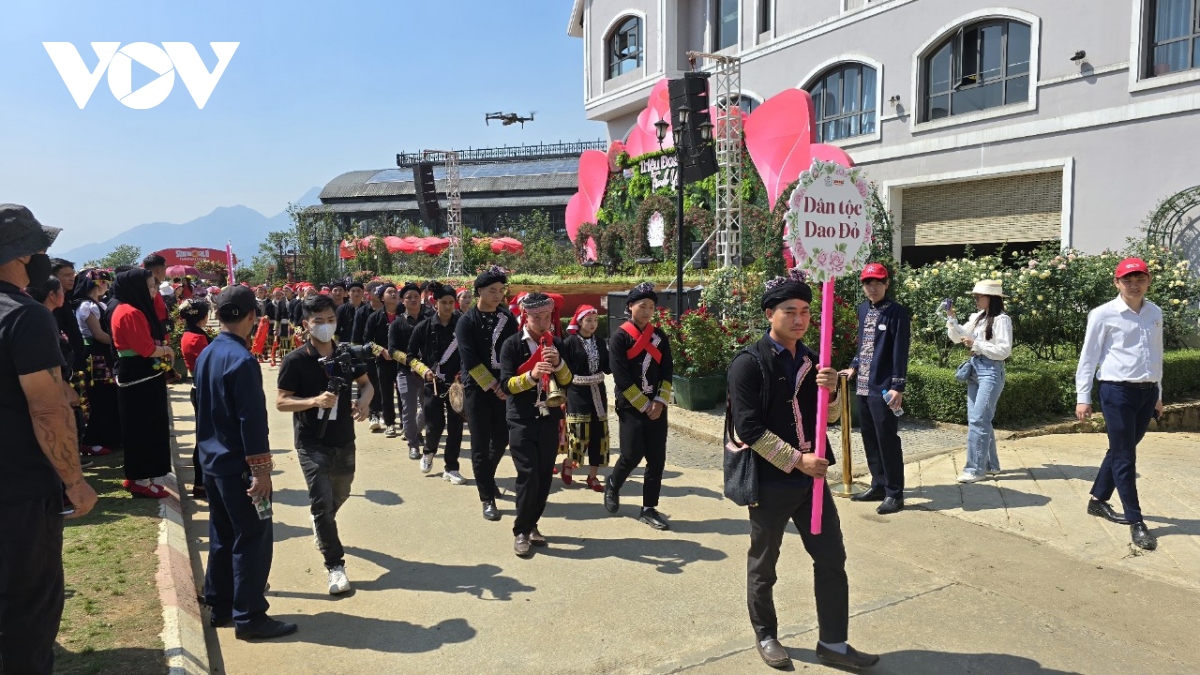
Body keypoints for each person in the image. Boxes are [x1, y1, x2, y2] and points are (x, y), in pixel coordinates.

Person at [728, 272, 878, 671]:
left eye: (806, 312)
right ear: (769, 314)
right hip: (772, 479)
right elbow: (749, 429)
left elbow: (823, 419)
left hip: (813, 481)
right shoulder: (748, 363)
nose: (799, 319)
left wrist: (831, 392)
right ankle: (766, 634)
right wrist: (797, 460)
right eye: (790, 311)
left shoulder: (814, 360)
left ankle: (834, 642)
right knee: (765, 563)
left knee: (831, 558)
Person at [0, 203, 97, 674]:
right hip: (18, 493)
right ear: (22, 257)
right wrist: (74, 481)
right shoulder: (25, 315)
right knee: (27, 616)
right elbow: (46, 408)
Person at [195, 285, 296, 640]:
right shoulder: (242, 360)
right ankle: (250, 615)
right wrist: (262, 471)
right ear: (252, 317)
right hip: (239, 466)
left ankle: (220, 604)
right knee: (253, 535)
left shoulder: (208, 353)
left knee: (223, 535)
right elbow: (251, 422)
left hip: (213, 463)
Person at [277, 294, 373, 594]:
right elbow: (281, 402)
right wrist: (313, 401)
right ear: (306, 325)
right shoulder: (295, 361)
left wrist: (364, 402)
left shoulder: (346, 354)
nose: (326, 326)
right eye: (319, 321)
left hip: (344, 439)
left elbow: (367, 384)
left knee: (340, 494)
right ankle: (335, 566)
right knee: (321, 501)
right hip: (311, 442)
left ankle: (322, 523)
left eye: (330, 320)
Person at [1076, 257, 1163, 552]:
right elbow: (1088, 358)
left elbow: (1156, 355)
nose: (1134, 284)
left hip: (1147, 393)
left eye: (1140, 279)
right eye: (1128, 280)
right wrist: (1083, 397)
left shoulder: (1154, 312)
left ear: (1149, 280)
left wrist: (1159, 393)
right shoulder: (1103, 314)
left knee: (1120, 450)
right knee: (1126, 456)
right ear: (1117, 283)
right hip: (1117, 392)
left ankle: (1097, 501)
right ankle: (1136, 522)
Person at [500, 293, 573, 557]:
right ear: (525, 317)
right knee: (528, 474)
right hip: (521, 419)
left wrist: (559, 364)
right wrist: (531, 376)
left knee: (543, 477)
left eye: (546, 317)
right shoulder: (512, 345)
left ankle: (532, 524)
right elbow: (506, 384)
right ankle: (520, 530)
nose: (543, 323)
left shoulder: (557, 345)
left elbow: (567, 381)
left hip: (549, 417)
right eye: (536, 317)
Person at [840, 263, 911, 515]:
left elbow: (899, 351)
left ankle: (895, 493)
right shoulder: (862, 310)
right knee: (869, 437)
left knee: (887, 439)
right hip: (863, 385)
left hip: (884, 388)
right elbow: (864, 346)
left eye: (878, 283)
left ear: (887, 284)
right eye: (868, 283)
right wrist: (853, 366)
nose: (873, 288)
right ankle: (878, 484)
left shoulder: (896, 313)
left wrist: (897, 386)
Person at [605, 282, 672, 530]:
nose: (647, 311)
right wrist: (645, 405)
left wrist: (659, 401)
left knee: (657, 459)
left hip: (657, 406)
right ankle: (614, 484)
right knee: (631, 455)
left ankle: (649, 508)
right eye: (642, 306)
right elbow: (621, 377)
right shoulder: (620, 336)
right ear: (630, 307)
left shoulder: (659, 336)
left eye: (651, 306)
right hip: (631, 405)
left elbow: (667, 370)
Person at [456, 266, 518, 521]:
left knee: (503, 438)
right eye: (492, 290)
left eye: (501, 290)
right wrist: (493, 385)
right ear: (479, 291)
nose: (497, 295)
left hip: (504, 387)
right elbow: (469, 359)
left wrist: (507, 384)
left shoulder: (508, 318)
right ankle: (487, 498)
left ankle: (487, 477)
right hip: (478, 389)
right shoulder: (466, 321)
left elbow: (515, 350)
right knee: (480, 444)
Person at [111, 268, 175, 498]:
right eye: (149, 286)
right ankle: (141, 479)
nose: (153, 291)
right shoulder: (130, 312)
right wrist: (167, 350)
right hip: (140, 373)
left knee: (139, 425)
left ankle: (139, 475)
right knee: (146, 425)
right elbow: (146, 349)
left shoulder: (126, 309)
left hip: (137, 373)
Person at [946, 280, 1012, 483]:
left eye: (978, 296)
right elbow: (957, 338)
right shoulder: (977, 318)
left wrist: (977, 344)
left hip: (991, 371)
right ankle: (991, 465)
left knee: (978, 420)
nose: (975, 300)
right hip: (976, 369)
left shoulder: (1002, 320)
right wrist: (951, 318)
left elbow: (1004, 351)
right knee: (980, 419)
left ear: (991, 298)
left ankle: (975, 469)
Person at [408, 282, 465, 480]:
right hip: (432, 383)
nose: (448, 306)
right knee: (434, 425)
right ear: (435, 303)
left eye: (451, 302)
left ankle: (451, 467)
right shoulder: (423, 326)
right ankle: (428, 451)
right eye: (444, 302)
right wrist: (423, 371)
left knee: (456, 427)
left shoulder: (463, 325)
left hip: (457, 385)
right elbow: (410, 356)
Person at [563, 305, 610, 492]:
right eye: (588, 320)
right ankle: (569, 462)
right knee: (580, 432)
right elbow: (563, 371)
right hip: (577, 391)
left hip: (598, 390)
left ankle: (593, 476)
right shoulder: (569, 343)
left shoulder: (600, 342)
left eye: (595, 320)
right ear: (580, 321)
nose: (592, 324)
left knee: (599, 434)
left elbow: (607, 367)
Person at [73, 268, 120, 455]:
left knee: (108, 396)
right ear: (99, 283)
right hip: (96, 355)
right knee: (100, 398)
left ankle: (109, 437)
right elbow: (99, 335)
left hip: (104, 353)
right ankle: (92, 440)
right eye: (106, 283)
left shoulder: (98, 303)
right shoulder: (87, 305)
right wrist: (120, 342)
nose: (107, 287)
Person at [390, 281, 432, 457]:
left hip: (428, 373)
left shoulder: (430, 320)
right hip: (405, 372)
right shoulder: (397, 323)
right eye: (409, 297)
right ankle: (413, 444)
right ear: (403, 300)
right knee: (408, 409)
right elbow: (392, 350)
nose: (413, 300)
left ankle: (414, 432)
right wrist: (412, 362)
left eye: (416, 296)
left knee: (428, 408)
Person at [181, 298, 214, 498]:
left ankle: (202, 482)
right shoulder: (197, 339)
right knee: (206, 437)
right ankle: (202, 482)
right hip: (205, 389)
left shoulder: (189, 334)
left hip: (199, 386)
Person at [366, 283, 403, 439]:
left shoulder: (405, 314)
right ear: (382, 298)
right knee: (386, 393)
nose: (394, 294)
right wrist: (381, 351)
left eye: (395, 292)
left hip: (402, 361)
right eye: (389, 292)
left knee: (404, 393)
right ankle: (389, 424)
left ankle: (406, 423)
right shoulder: (374, 317)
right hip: (383, 361)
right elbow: (367, 341)